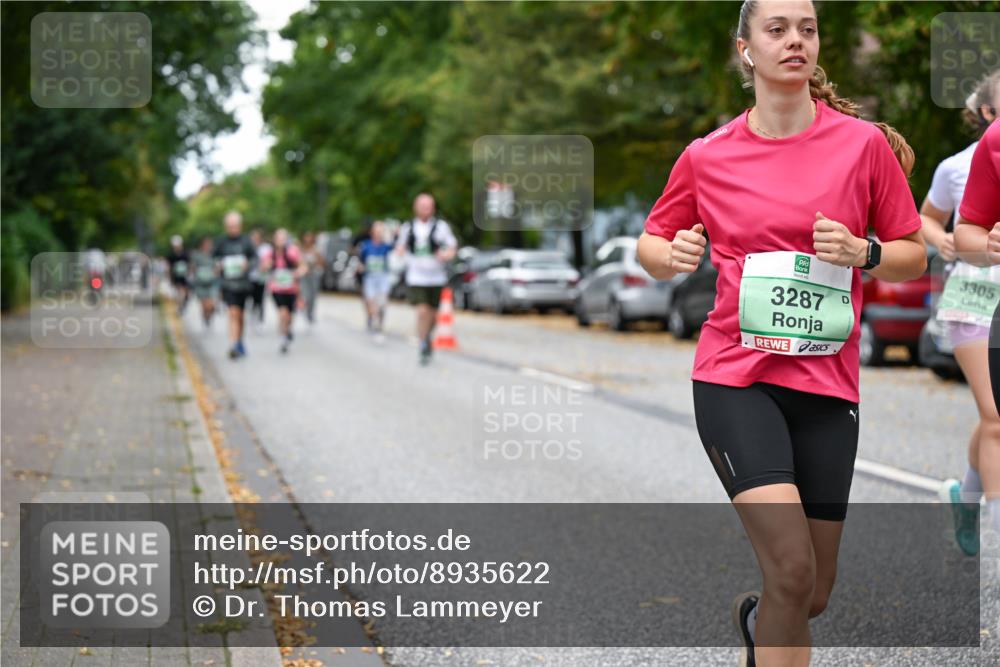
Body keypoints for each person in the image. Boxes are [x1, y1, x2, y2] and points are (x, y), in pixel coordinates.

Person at [636, 2, 926, 665]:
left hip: (827, 384)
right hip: (735, 380)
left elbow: (912, 252)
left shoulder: (862, 145)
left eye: (807, 28)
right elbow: (651, 242)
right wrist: (671, 255)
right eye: (778, 29)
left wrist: (865, 253)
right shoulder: (708, 156)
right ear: (747, 49)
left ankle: (760, 624)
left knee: (811, 592)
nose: (795, 40)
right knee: (791, 569)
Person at [921, 70, 1000, 557]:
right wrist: (945, 238)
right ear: (987, 113)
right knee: (994, 416)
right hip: (973, 296)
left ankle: (965, 497)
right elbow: (926, 216)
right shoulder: (956, 167)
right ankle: (990, 519)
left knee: (995, 416)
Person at [955, 112, 1000, 542]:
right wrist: (987, 245)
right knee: (994, 419)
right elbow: (962, 229)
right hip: (971, 303)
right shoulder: (990, 145)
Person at [394, 193, 458, 364]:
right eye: (422, 206)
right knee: (422, 311)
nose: (425, 210)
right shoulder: (408, 228)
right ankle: (423, 344)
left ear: (433, 208)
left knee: (435, 315)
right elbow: (399, 247)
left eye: (428, 207)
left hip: (436, 277)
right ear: (416, 208)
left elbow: (452, 247)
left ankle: (427, 336)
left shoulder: (441, 227)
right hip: (416, 277)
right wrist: (400, 252)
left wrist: (446, 255)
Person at [214, 211, 257, 359]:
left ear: (240, 226)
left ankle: (239, 340)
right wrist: (217, 265)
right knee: (233, 312)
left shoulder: (246, 241)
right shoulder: (221, 242)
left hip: (243, 285)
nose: (233, 229)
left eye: (235, 226)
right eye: (230, 226)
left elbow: (255, 259)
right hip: (228, 284)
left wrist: (248, 264)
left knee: (241, 315)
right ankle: (233, 344)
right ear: (226, 226)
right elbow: (213, 259)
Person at [260, 228, 306, 354]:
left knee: (290, 316)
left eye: (283, 239)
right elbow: (262, 268)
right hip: (277, 289)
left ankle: (287, 330)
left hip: (291, 289)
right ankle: (283, 338)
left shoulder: (292, 252)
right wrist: (266, 266)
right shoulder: (270, 254)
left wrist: (298, 273)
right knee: (282, 313)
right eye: (278, 239)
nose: (281, 241)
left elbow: (303, 266)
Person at [358, 220, 394, 342]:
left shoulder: (387, 246)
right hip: (370, 278)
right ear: (372, 232)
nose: (379, 233)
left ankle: (380, 321)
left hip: (383, 277)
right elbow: (361, 260)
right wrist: (361, 267)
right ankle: (375, 322)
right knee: (372, 301)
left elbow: (396, 253)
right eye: (377, 230)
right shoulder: (366, 245)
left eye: (381, 231)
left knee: (382, 302)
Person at [190, 236, 219, 329]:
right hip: (201, 283)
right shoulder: (197, 255)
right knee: (204, 305)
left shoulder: (213, 255)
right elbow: (192, 267)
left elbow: (217, 266)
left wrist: (216, 271)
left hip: (211, 283)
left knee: (212, 305)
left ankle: (209, 315)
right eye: (206, 244)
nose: (208, 246)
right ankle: (205, 318)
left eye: (209, 245)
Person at [299, 231, 324, 325]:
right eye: (306, 237)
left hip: (313, 275)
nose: (307, 239)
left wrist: (315, 264)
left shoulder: (316, 250)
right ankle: (302, 308)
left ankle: (310, 313)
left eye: (309, 237)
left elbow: (322, 262)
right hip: (303, 275)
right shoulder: (300, 249)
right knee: (305, 294)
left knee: (313, 296)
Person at [248, 228, 270, 328]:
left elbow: (269, 260)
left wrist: (265, 266)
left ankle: (260, 319)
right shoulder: (248, 248)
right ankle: (252, 315)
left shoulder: (266, 248)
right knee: (251, 298)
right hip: (250, 277)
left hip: (261, 277)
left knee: (260, 298)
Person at [166, 235, 190, 312]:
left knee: (185, 292)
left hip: (184, 276)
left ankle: (183, 302)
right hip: (176, 276)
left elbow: (189, 264)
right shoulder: (171, 255)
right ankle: (179, 305)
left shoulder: (185, 254)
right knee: (179, 291)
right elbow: (169, 267)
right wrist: (169, 277)